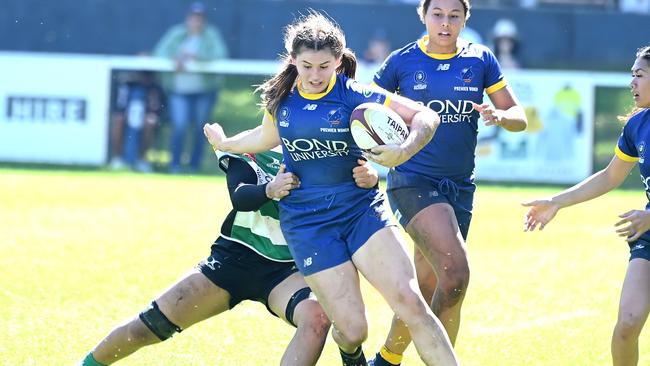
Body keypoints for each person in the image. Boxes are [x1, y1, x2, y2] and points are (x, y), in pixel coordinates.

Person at [203, 11, 459, 366]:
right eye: (306, 66)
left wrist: (404, 150)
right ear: (293, 60)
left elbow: (425, 116)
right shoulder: (282, 101)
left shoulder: (353, 95)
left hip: (361, 212)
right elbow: (263, 137)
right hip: (309, 226)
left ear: (339, 61)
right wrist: (226, 142)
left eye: (325, 66)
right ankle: (351, 353)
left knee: (411, 303)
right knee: (354, 330)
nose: (315, 75)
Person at [79, 144, 383, 365]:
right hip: (233, 260)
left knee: (317, 318)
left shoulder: (338, 154)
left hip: (289, 270)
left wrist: (370, 180)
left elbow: (358, 212)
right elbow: (240, 196)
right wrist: (270, 189)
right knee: (148, 328)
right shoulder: (251, 147)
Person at [370, 1, 528, 365]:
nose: (445, 22)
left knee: (432, 287)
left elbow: (519, 116)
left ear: (465, 19)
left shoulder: (481, 60)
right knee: (455, 274)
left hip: (460, 188)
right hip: (412, 181)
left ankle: (387, 358)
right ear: (423, 16)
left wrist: (502, 115)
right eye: (437, 14)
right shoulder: (401, 62)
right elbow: (363, 110)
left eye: (453, 15)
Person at [522, 45, 650, 366]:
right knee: (627, 325)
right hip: (647, 229)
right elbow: (609, 177)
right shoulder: (637, 126)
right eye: (631, 75)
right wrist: (556, 202)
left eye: (639, 75)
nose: (631, 83)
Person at [153, 1, 229, 174]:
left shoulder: (211, 35)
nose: (196, 21)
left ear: (204, 20)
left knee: (201, 128)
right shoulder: (176, 33)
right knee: (179, 126)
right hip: (179, 90)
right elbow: (159, 52)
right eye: (194, 18)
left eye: (200, 18)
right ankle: (175, 164)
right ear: (188, 19)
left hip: (204, 91)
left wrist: (197, 57)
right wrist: (175, 58)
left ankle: (194, 165)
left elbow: (219, 55)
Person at [108, 70, 164, 173]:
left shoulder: (154, 87)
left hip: (145, 116)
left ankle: (142, 160)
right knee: (118, 119)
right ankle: (118, 159)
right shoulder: (125, 85)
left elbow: (157, 108)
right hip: (127, 115)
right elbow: (119, 105)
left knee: (150, 121)